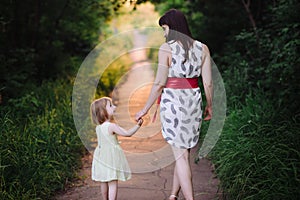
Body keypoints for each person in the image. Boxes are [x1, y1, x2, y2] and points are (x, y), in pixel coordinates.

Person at [135, 9, 213, 200]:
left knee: (181, 156)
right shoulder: (203, 48)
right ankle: (173, 195)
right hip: (193, 101)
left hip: (173, 103)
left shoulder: (166, 48)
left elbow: (160, 83)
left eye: (164, 28)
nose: (164, 33)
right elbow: (208, 83)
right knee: (183, 152)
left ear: (172, 26)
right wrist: (209, 105)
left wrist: (144, 109)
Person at [91, 97, 143, 200]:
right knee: (113, 182)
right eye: (110, 106)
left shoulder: (98, 128)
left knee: (104, 180)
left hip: (101, 157)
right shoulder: (111, 126)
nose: (114, 107)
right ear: (103, 112)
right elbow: (127, 134)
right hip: (111, 158)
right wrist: (138, 125)